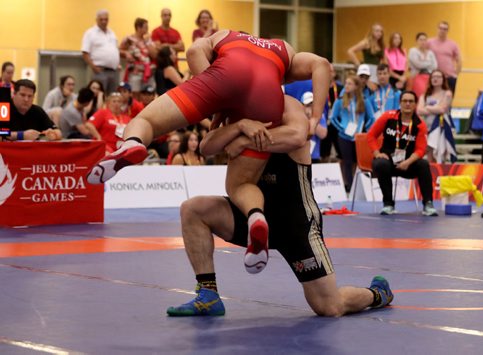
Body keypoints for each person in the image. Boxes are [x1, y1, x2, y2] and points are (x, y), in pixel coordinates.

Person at [87, 30, 330, 275]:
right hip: (265, 95)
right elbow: (321, 64)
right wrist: (317, 117)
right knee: (240, 185)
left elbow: (193, 51)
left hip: (222, 75)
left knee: (146, 121)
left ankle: (133, 142)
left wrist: (217, 101)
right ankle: (256, 217)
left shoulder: (225, 36)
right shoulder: (283, 50)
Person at [166, 107, 394, 316]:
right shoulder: (237, 114)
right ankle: (208, 294)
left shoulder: (288, 107)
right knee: (194, 209)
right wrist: (238, 126)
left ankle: (377, 293)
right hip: (253, 215)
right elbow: (206, 147)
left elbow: (298, 136)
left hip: (295, 222)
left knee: (329, 306)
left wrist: (242, 140)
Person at [367, 91, 438, 216]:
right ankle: (388, 204)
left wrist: (408, 162)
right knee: (380, 164)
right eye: (405, 101)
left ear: (415, 104)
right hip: (388, 162)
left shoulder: (420, 125)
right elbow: (371, 136)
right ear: (400, 103)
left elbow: (421, 149)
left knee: (424, 165)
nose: (407, 104)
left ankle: (428, 204)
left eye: (411, 101)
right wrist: (377, 153)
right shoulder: (388, 117)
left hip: (407, 164)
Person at [330, 75, 375, 192]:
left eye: (349, 84)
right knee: (347, 161)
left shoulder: (364, 101)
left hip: (359, 137)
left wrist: (365, 129)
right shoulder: (340, 101)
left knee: (358, 162)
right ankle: (349, 186)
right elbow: (333, 118)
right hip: (344, 136)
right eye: (346, 83)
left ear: (356, 86)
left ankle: (359, 186)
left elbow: (371, 118)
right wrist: (342, 129)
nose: (346, 86)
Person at [417, 69, 456, 163]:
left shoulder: (447, 93)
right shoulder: (425, 95)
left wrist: (427, 107)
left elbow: (442, 109)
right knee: (429, 152)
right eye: (433, 77)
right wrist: (435, 108)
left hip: (442, 127)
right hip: (428, 128)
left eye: (438, 77)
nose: (435, 79)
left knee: (440, 154)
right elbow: (419, 110)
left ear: (443, 79)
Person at [81, 9, 120, 94]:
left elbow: (114, 49)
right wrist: (93, 67)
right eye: (101, 19)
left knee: (113, 96)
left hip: (113, 71)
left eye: (106, 19)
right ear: (96, 20)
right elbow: (85, 53)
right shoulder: (90, 33)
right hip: (100, 71)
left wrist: (117, 64)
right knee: (98, 95)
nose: (104, 21)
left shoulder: (111, 33)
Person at [120, 18, 157, 96]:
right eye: (145, 27)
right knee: (134, 94)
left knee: (147, 95)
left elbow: (154, 55)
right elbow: (119, 50)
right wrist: (126, 53)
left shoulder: (147, 40)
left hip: (147, 73)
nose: (147, 29)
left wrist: (147, 41)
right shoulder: (129, 39)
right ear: (138, 27)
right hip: (134, 73)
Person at [427, 21, 461, 95]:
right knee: (432, 99)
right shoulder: (429, 42)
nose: (442, 30)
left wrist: (456, 74)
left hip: (449, 77)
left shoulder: (453, 44)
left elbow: (459, 60)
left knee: (448, 100)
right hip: (433, 76)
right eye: (441, 28)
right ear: (437, 29)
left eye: (445, 29)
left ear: (447, 31)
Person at [408, 32, 437, 99]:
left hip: (429, 78)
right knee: (419, 97)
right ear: (417, 41)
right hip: (416, 77)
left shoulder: (430, 52)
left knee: (429, 97)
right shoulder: (413, 51)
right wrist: (429, 63)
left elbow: (435, 66)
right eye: (421, 40)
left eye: (424, 40)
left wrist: (423, 62)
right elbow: (418, 65)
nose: (423, 42)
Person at [300, 91, 327, 163]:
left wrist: (312, 119)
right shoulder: (298, 117)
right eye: (308, 105)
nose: (311, 107)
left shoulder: (320, 116)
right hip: (300, 155)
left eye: (312, 104)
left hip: (314, 156)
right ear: (302, 105)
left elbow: (323, 135)